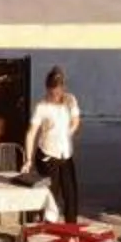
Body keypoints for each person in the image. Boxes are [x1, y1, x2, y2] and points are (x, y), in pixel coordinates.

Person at [25, 67, 83, 224]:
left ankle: (72, 229)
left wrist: (68, 132)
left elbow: (76, 121)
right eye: (52, 92)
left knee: (71, 194)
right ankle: (49, 230)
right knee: (51, 196)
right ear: (47, 89)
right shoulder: (42, 106)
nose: (55, 95)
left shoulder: (70, 100)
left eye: (58, 91)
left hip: (65, 154)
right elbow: (31, 133)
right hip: (47, 155)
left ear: (63, 88)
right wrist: (29, 160)